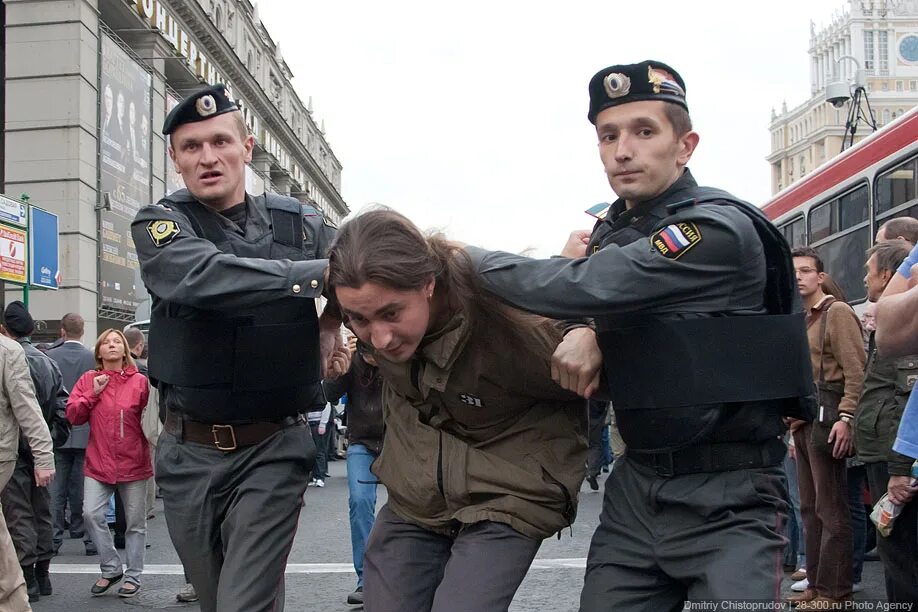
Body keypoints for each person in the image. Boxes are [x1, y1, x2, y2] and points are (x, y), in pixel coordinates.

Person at [458, 60, 814, 610]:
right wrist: (588, 329)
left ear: (686, 145)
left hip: (731, 495)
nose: (623, 149)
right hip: (637, 488)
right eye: (609, 135)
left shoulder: (714, 227)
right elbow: (608, 301)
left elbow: (593, 285)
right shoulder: (616, 231)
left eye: (644, 131)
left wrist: (458, 260)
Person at [129, 83, 349, 612]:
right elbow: (200, 275)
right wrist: (314, 278)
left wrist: (332, 320)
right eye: (192, 146)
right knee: (220, 600)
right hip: (188, 454)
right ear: (175, 159)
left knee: (241, 604)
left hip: (272, 446)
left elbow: (361, 268)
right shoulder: (160, 223)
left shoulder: (302, 226)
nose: (208, 157)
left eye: (220, 141)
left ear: (247, 148)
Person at [327, 208, 588, 612]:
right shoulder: (362, 295)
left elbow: (613, 363)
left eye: (391, 314)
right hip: (418, 495)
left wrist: (588, 329)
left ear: (428, 284)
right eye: (358, 319)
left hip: (508, 492)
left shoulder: (511, 320)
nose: (379, 338)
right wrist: (329, 325)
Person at [787, 247, 865, 607]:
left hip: (830, 413)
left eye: (806, 271)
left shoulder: (838, 313)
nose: (799, 277)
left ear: (820, 277)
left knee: (831, 508)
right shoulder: (802, 318)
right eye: (795, 272)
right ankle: (817, 586)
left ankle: (837, 592)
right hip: (805, 418)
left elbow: (856, 372)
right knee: (809, 507)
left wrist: (847, 418)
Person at [852, 239, 917, 604]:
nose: (865, 280)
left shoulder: (902, 331)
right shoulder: (882, 325)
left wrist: (899, 466)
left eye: (870, 271)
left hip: (895, 455)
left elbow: (906, 399)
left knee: (901, 555)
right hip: (883, 450)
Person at [66, 329, 151, 598]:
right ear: (99, 351)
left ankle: (134, 575)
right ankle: (112, 567)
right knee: (91, 514)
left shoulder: (140, 381)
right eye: (106, 342)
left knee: (135, 523)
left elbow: (150, 421)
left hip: (134, 461)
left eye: (117, 342)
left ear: (125, 349)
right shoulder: (89, 379)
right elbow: (73, 416)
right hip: (99, 461)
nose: (112, 345)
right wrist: (92, 393)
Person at [0, 302, 68, 603]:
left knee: (18, 515)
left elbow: (26, 410)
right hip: (38, 444)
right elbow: (60, 406)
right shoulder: (46, 361)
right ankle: (42, 574)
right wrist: (52, 442)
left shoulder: (13, 355)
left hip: (15, 446)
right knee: (40, 511)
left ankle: (29, 578)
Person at [323, 339, 385, 606]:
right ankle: (366, 579)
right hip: (362, 442)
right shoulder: (353, 361)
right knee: (360, 502)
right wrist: (337, 371)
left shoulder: (398, 357)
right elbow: (327, 395)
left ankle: (408, 574)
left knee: (414, 507)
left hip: (399, 442)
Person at [45, 313, 98, 557]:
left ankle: (55, 537)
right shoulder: (92, 358)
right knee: (82, 485)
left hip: (58, 430)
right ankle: (81, 530)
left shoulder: (49, 356)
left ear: (62, 331)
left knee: (57, 487)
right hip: (86, 429)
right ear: (82, 330)